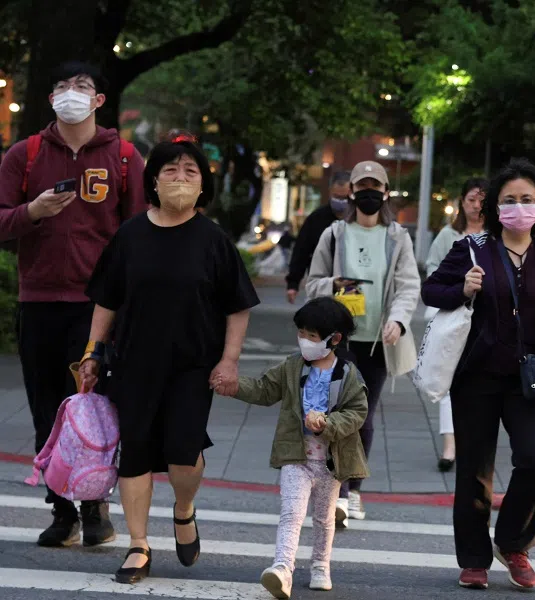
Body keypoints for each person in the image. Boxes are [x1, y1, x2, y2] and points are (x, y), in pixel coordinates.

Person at [78, 137, 259, 584]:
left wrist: (229, 360)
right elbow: (107, 300)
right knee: (135, 452)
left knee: (183, 452)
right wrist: (91, 354)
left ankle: (184, 509)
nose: (179, 179)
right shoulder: (130, 235)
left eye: (190, 172)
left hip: (193, 366)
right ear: (153, 181)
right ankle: (138, 545)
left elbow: (237, 306)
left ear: (203, 185)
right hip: (134, 363)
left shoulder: (213, 240)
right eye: (170, 171)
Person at [0, 60, 146, 548]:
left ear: (99, 100)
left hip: (98, 308)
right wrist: (31, 213)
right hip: (39, 299)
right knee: (48, 408)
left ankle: (95, 507)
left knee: (96, 408)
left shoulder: (124, 157)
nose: (71, 93)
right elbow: (2, 221)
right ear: (50, 98)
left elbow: (139, 233)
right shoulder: (25, 154)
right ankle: (61, 509)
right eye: (62, 85)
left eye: (82, 86)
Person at [422, 158, 535, 591]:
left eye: (527, 200)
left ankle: (514, 544)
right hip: (477, 377)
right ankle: (473, 558)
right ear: (495, 206)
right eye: (509, 200)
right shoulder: (472, 248)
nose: (518, 207)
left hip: (529, 379)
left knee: (534, 462)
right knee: (474, 469)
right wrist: (462, 288)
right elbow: (432, 289)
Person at [213, 297, 369, 599]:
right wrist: (233, 387)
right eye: (301, 333)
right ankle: (283, 568)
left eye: (311, 336)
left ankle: (321, 566)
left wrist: (328, 423)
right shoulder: (291, 367)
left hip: (331, 461)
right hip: (295, 456)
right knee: (291, 513)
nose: (304, 341)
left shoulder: (348, 374)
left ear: (333, 339)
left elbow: (357, 412)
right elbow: (264, 389)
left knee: (324, 518)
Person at [306, 160, 419, 526]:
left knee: (363, 417)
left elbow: (407, 285)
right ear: (351, 192)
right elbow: (313, 283)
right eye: (362, 186)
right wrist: (336, 286)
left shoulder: (398, 236)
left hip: (378, 344)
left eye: (376, 187)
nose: (368, 193)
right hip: (342, 341)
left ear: (385, 193)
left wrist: (399, 321)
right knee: (339, 412)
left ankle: (353, 490)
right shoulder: (335, 234)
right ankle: (336, 490)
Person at [425, 177, 487, 472]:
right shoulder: (449, 235)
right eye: (471, 200)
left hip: (485, 320)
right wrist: (456, 286)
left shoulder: (496, 235)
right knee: (449, 380)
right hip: (453, 316)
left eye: (482, 200)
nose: (476, 206)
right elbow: (432, 273)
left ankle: (474, 438)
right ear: (462, 202)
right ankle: (449, 444)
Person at [286, 171, 352, 303]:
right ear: (329, 192)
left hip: (351, 286)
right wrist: (293, 283)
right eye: (336, 196)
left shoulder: (359, 220)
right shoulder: (316, 219)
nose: (341, 201)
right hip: (322, 285)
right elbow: (301, 250)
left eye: (345, 197)